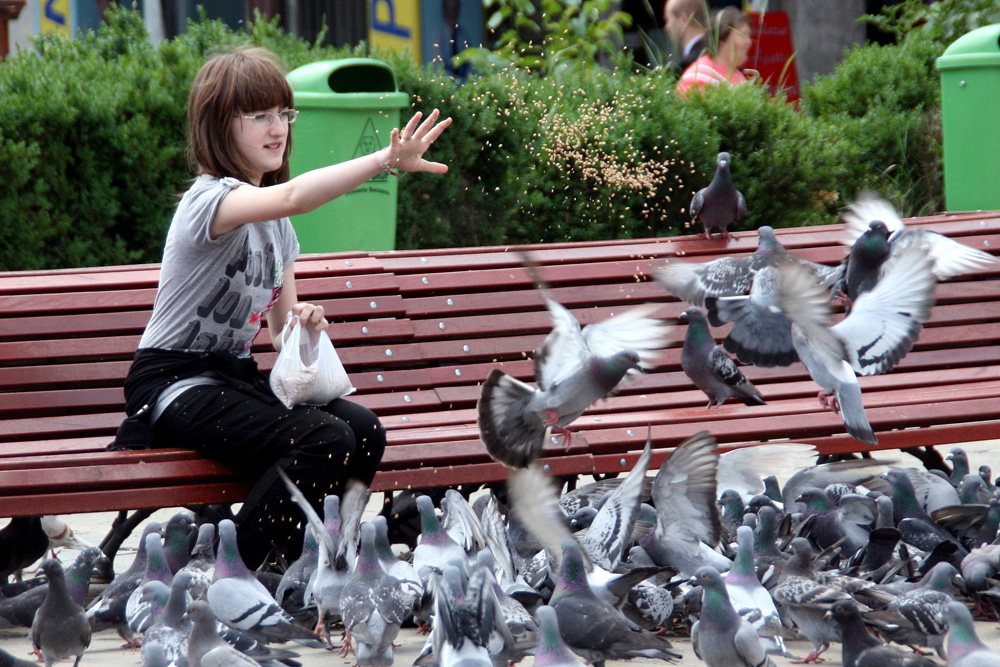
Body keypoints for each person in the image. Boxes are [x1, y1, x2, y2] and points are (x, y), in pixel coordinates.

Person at [113, 46, 452, 570]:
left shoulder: (279, 232)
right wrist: (385, 160)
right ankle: (233, 572)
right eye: (260, 117)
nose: (278, 129)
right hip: (172, 384)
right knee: (324, 439)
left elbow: (278, 335)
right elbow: (295, 195)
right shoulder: (209, 201)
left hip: (233, 380)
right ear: (219, 125)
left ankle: (312, 560)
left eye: (284, 115)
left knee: (364, 430)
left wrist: (307, 329)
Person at [676, 6, 753, 96]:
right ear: (722, 38)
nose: (749, 42)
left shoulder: (737, 74)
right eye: (743, 35)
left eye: (749, 36)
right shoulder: (697, 77)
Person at [663, 0, 709, 72]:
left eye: (668, 20)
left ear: (684, 19)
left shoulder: (688, 65)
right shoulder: (718, 51)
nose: (667, 27)